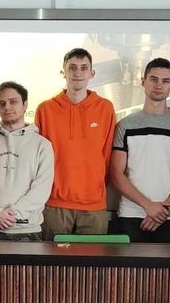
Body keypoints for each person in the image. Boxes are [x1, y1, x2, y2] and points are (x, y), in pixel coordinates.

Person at [35, 47, 116, 238]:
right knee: (52, 257)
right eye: (72, 68)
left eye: (83, 68)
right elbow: (37, 158)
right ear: (63, 72)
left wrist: (96, 187)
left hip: (94, 205)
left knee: (93, 258)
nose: (78, 73)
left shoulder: (105, 108)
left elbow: (107, 155)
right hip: (54, 204)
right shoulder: (45, 109)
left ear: (92, 73)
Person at [108, 59, 170, 243]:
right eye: (153, 79)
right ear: (143, 82)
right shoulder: (125, 125)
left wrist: (162, 211)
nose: (158, 85)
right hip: (131, 215)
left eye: (165, 81)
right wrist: (148, 205)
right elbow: (116, 174)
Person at [0, 81, 53, 241]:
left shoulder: (42, 145)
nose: (7, 107)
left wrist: (10, 215)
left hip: (28, 230)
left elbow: (42, 188)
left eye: (13, 102)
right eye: (2, 103)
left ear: (25, 105)